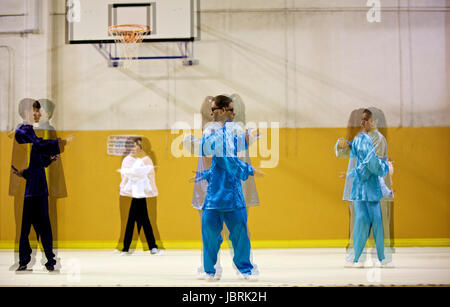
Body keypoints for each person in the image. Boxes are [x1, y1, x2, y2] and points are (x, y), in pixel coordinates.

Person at [192, 95, 263, 281]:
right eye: (231, 110)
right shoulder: (210, 132)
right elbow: (219, 159)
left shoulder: (231, 130)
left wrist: (250, 136)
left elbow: (236, 146)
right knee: (210, 234)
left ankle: (243, 268)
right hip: (214, 194)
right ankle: (210, 269)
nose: (234, 113)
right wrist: (248, 169)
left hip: (232, 194)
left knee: (239, 232)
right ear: (221, 111)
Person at [12, 99, 73, 272]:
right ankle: (26, 260)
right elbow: (38, 145)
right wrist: (61, 143)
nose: (38, 113)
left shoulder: (31, 132)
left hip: (38, 189)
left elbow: (37, 159)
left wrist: (48, 160)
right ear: (26, 112)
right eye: (35, 110)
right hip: (30, 191)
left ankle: (49, 260)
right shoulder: (23, 131)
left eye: (39, 110)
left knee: (43, 226)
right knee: (27, 227)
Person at [335, 108, 394, 266]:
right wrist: (341, 145)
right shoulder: (360, 138)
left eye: (366, 119)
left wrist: (351, 174)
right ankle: (356, 255)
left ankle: (381, 256)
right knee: (360, 220)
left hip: (373, 188)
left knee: (377, 221)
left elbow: (372, 164)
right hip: (360, 189)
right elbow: (349, 152)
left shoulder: (379, 140)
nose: (362, 122)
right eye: (362, 119)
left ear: (374, 122)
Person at [118, 137, 159, 255]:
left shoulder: (146, 160)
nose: (133, 148)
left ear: (141, 148)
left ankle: (128, 248)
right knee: (136, 221)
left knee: (139, 220)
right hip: (129, 196)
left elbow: (147, 176)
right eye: (133, 146)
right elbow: (128, 176)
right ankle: (150, 246)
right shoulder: (127, 160)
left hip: (142, 195)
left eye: (136, 146)